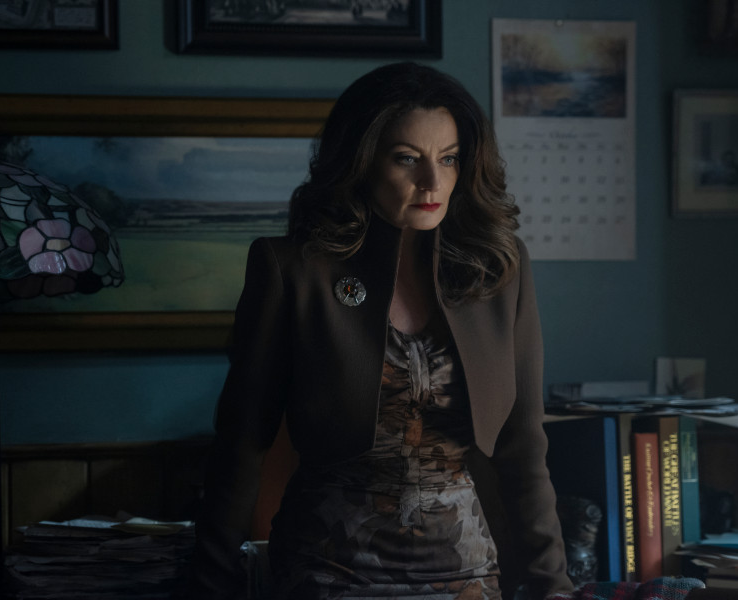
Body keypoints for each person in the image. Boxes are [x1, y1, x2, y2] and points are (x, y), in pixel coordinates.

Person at [189, 61, 574, 600]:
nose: (432, 182)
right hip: (329, 570)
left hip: (467, 574)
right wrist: (210, 583)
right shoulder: (292, 269)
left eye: (448, 158)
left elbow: (524, 447)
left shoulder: (498, 270)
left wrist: (553, 587)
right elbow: (241, 443)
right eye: (407, 159)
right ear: (362, 161)